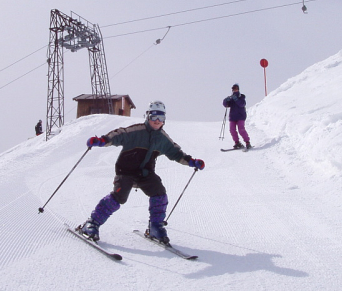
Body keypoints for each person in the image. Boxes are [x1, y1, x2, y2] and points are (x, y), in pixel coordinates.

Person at [78, 100, 205, 244]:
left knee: (159, 192)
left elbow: (175, 152)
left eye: (161, 118)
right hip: (125, 171)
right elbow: (120, 134)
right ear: (148, 116)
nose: (157, 121)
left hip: (145, 174)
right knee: (120, 196)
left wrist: (191, 162)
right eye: (154, 117)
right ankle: (92, 223)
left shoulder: (162, 139)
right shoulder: (136, 131)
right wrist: (102, 140)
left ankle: (155, 227)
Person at [222, 83, 251, 149]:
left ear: (238, 89)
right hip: (233, 117)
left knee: (241, 129)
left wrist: (236, 99)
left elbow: (242, 104)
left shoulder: (241, 97)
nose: (235, 90)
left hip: (241, 116)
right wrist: (225, 101)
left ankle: (247, 142)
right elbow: (226, 105)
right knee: (232, 130)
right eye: (233, 89)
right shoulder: (231, 98)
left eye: (236, 89)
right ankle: (237, 142)